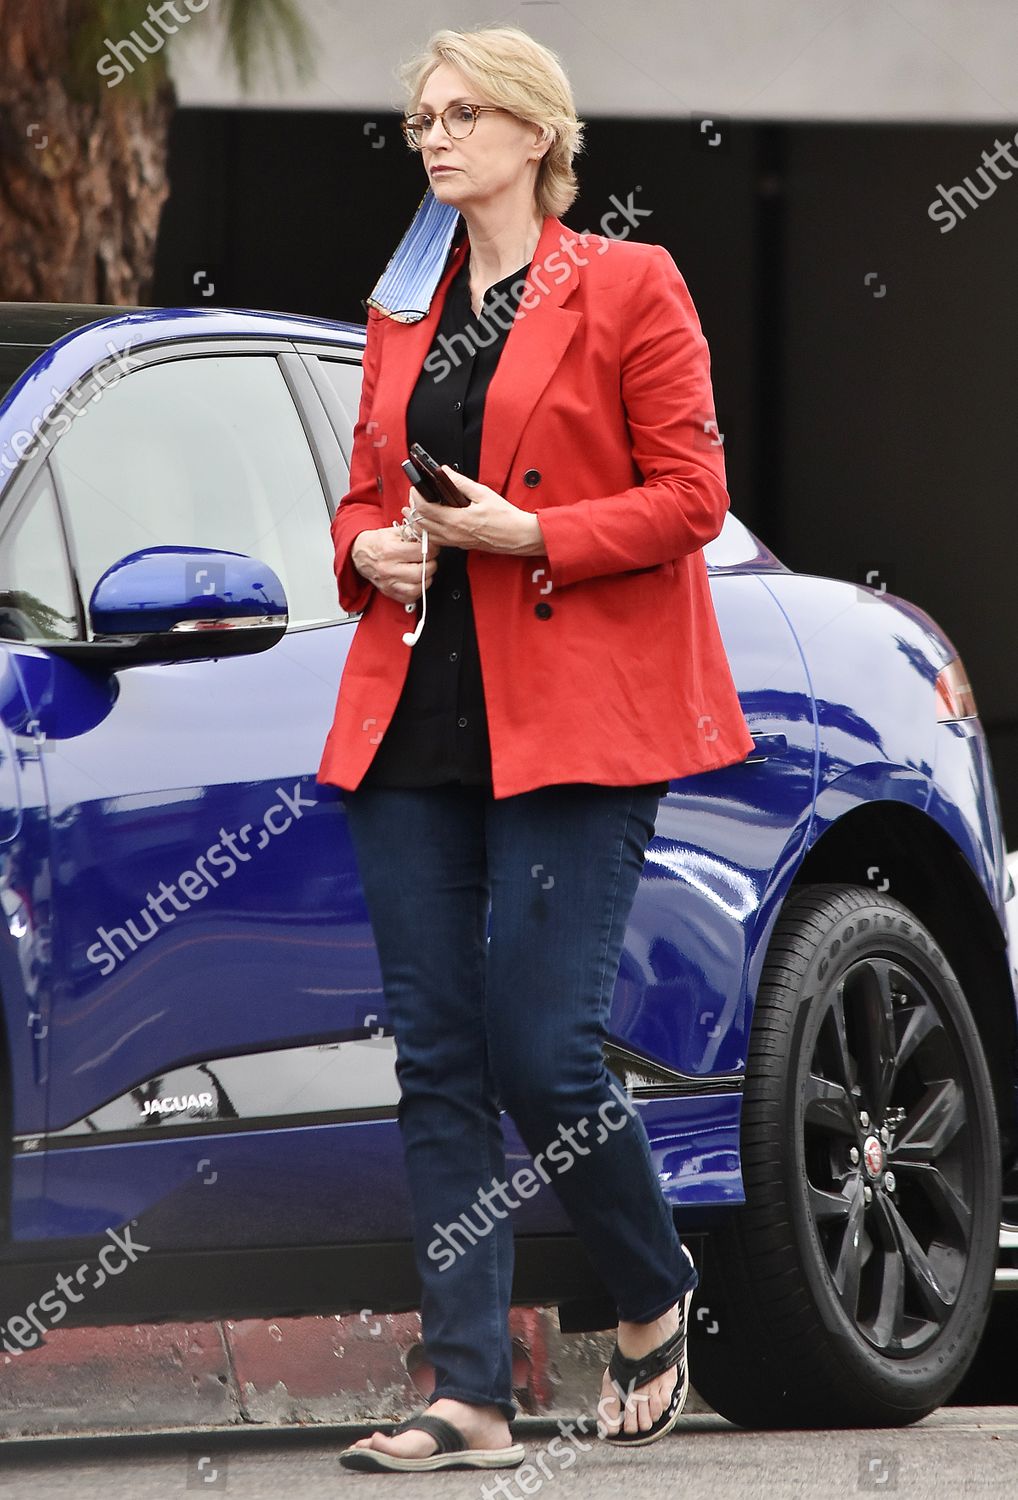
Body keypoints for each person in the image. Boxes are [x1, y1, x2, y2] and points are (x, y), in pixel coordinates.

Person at [319, 22, 756, 1476]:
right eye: (419, 120)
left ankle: (649, 1287)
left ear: (531, 133)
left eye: (460, 115)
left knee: (541, 1051)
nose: (432, 139)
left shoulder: (628, 282)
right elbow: (358, 496)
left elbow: (691, 497)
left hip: (573, 721)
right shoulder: (402, 305)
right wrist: (367, 549)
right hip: (410, 721)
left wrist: (532, 535)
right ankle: (470, 1398)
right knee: (438, 1060)